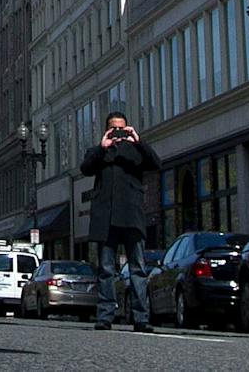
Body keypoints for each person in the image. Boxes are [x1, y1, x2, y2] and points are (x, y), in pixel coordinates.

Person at [81, 109, 160, 331]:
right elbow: (85, 168)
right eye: (113, 128)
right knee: (106, 269)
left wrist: (138, 141)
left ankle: (140, 317)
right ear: (107, 129)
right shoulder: (99, 152)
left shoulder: (136, 151)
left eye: (121, 128)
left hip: (132, 216)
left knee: (137, 268)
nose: (117, 133)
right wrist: (101, 147)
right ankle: (105, 315)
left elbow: (156, 163)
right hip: (105, 218)